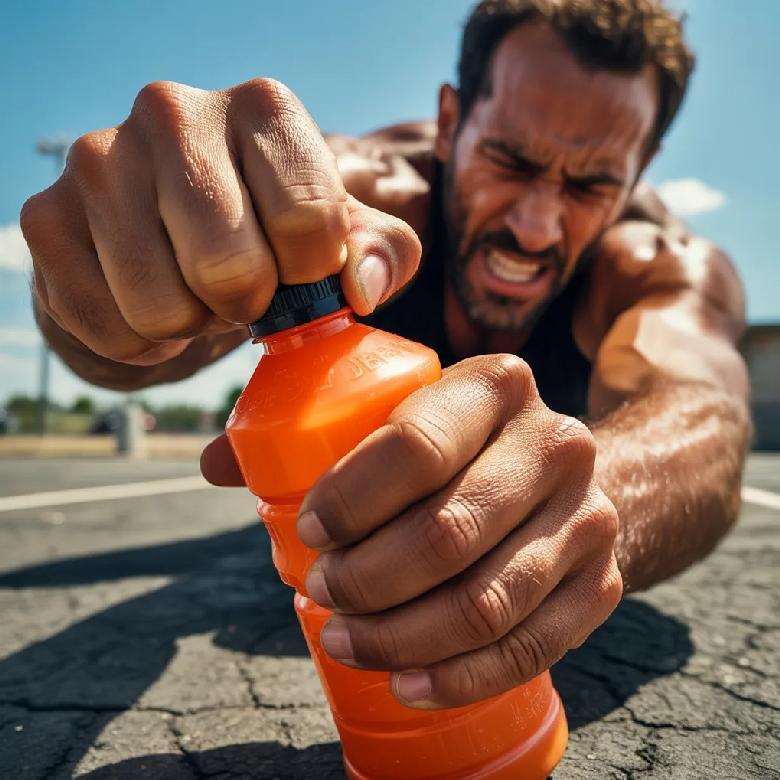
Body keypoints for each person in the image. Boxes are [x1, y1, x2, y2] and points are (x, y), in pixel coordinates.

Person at [21, 0, 749, 710]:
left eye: (592, 183)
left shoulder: (655, 261)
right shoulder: (357, 200)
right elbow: (122, 359)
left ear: (645, 163)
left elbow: (704, 420)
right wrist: (108, 274)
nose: (535, 227)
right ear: (450, 123)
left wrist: (572, 501)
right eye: (509, 160)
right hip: (323, 530)